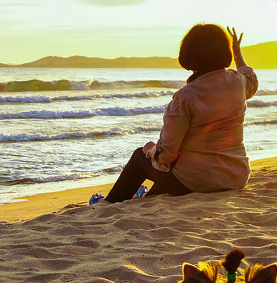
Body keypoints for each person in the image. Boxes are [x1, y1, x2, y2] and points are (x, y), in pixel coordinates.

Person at [100, 25, 257, 203]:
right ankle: (148, 197)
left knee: (139, 157)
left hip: (198, 182)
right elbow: (251, 78)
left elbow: (167, 154)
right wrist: (237, 53)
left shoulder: (185, 97)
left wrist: (151, 150)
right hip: (235, 177)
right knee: (173, 168)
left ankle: (109, 203)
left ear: (189, 53)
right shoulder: (237, 83)